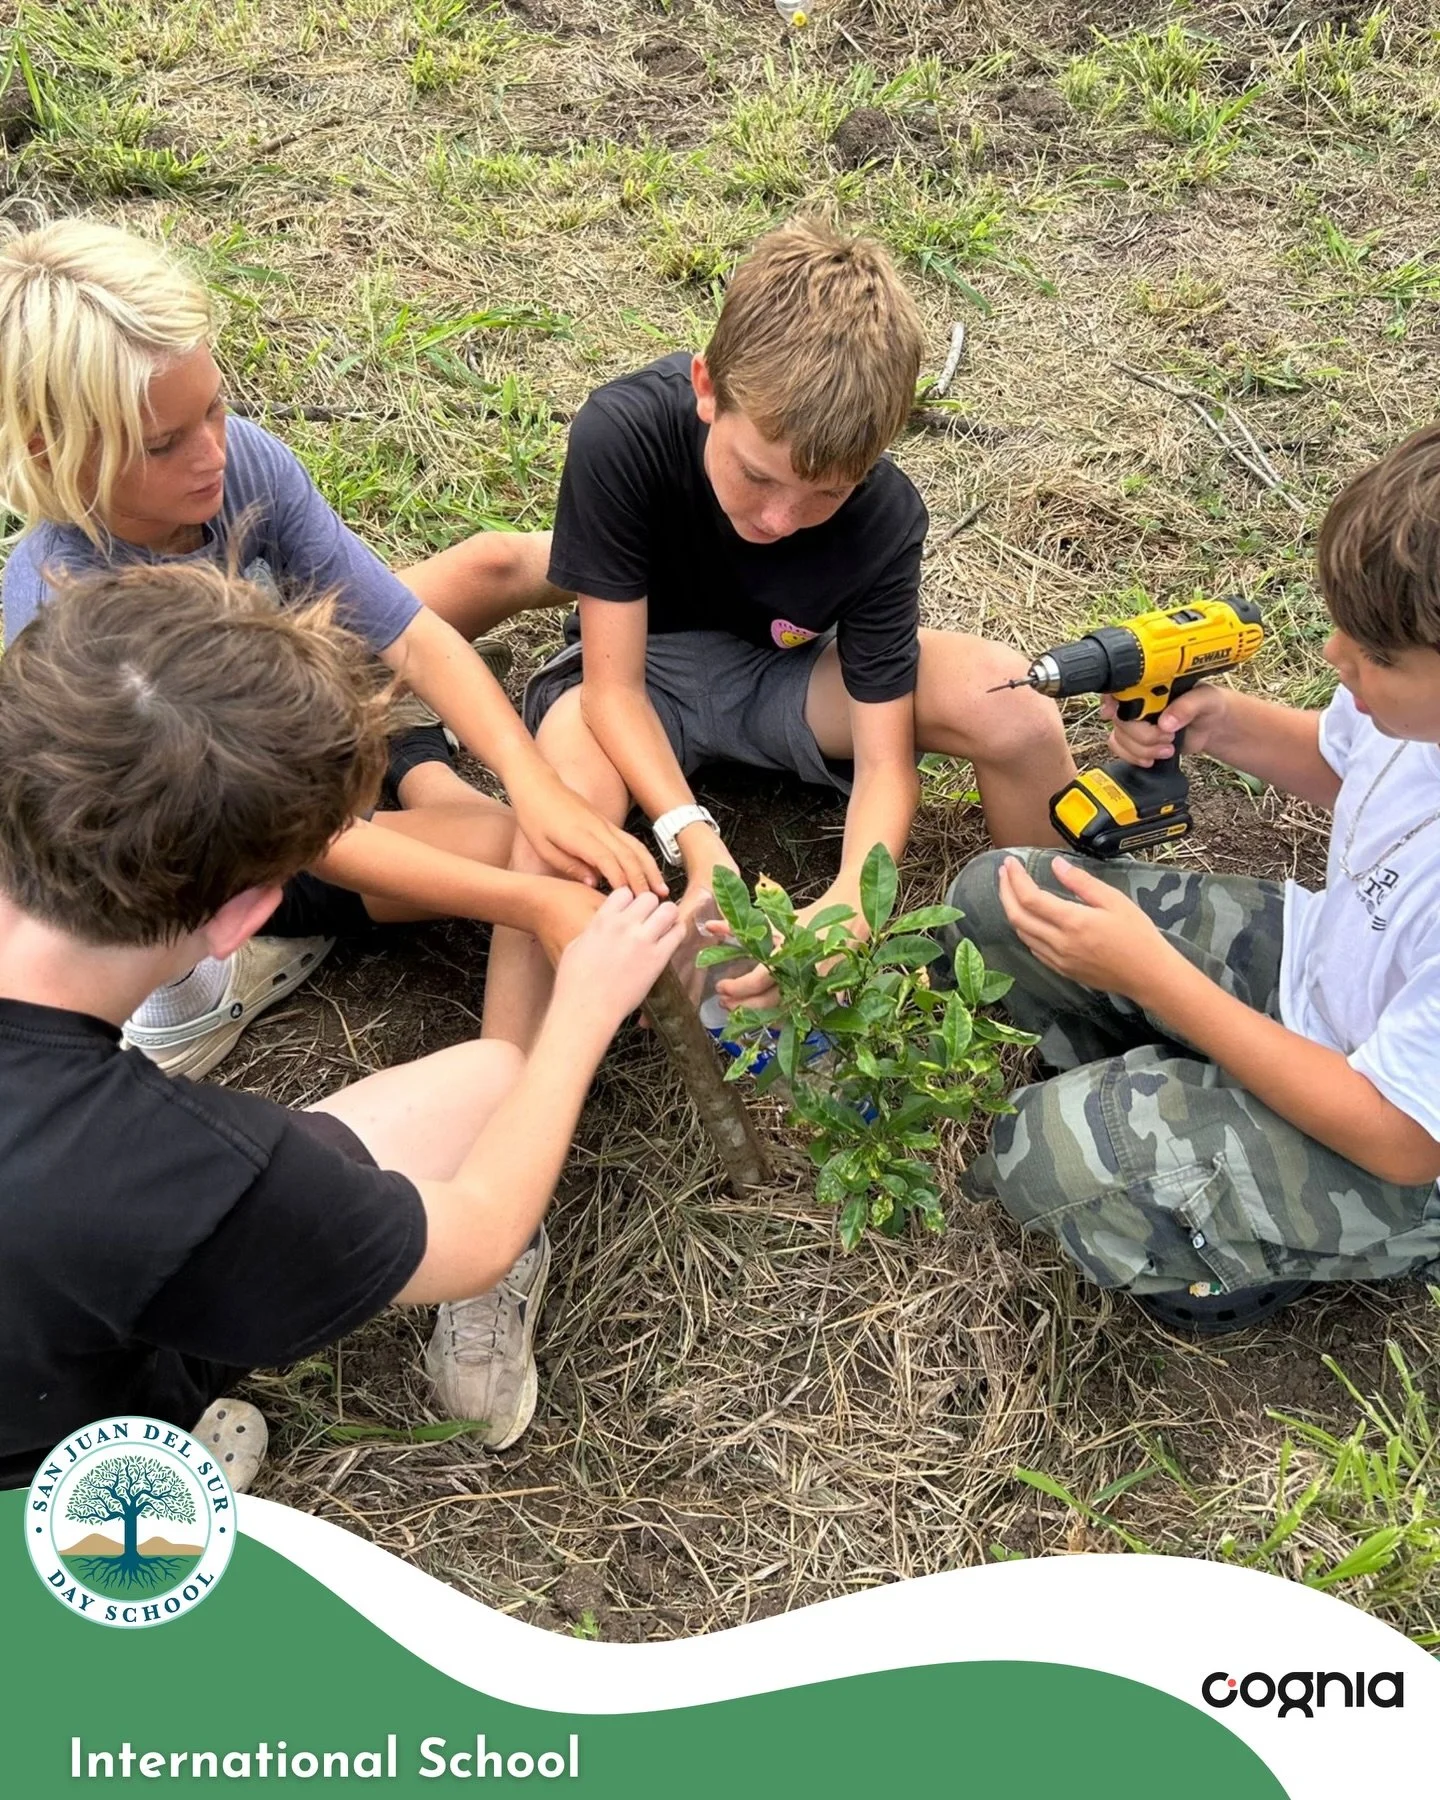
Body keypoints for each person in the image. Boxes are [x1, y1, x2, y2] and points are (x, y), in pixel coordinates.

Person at [0, 561, 685, 1488]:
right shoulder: (177, 1171)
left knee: (483, 1080)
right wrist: (582, 1012)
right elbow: (479, 1233)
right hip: (37, 1488)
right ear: (250, 915)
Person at [0, 218, 661, 1078]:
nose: (213, 454)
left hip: (295, 702)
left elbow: (410, 633)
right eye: (165, 444)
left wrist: (536, 781)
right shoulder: (77, 610)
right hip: (234, 835)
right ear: (63, 452)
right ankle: (261, 968)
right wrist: (531, 899)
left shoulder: (240, 465)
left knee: (488, 567)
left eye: (215, 407)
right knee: (514, 848)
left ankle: (444, 748)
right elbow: (306, 832)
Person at [481, 217, 1076, 1046]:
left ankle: (1065, 967)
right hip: (636, 676)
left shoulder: (884, 516)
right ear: (705, 386)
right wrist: (696, 839)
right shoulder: (625, 435)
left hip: (782, 681)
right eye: (756, 475)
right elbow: (613, 693)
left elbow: (884, 759)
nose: (778, 517)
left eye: (824, 496)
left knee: (1011, 705)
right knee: (567, 817)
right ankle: (508, 1070)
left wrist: (854, 905)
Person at [943, 425, 1440, 1335]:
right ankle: (1181, 1091)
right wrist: (1220, 724)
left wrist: (1153, 975)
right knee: (999, 897)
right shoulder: (1415, 708)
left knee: (1043, 1159)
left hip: (1404, 1152)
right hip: (1324, 982)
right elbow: (1346, 764)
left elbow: (1404, 1141)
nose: (1336, 656)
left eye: (1375, 657)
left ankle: (1245, 1250)